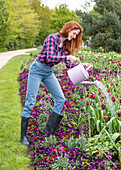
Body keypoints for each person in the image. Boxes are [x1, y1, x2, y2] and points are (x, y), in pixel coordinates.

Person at [21, 21, 93, 146]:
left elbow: (69, 64)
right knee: (30, 101)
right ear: (68, 29)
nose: (74, 36)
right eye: (74, 33)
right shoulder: (51, 38)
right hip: (37, 70)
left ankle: (49, 132)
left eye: (76, 35)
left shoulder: (65, 44)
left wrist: (82, 65)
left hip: (48, 72)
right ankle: (23, 137)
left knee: (60, 99)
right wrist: (67, 58)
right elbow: (50, 58)